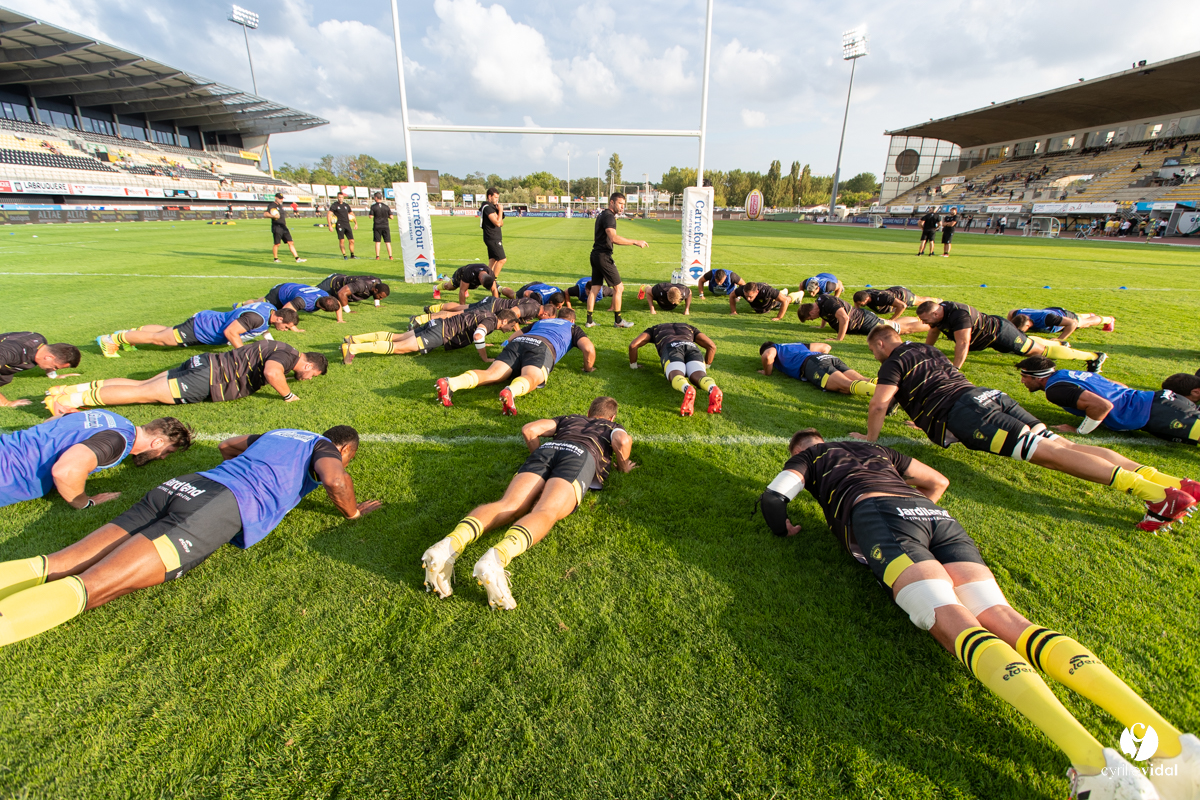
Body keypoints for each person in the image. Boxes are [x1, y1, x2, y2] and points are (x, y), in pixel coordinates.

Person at [757, 428, 1195, 800]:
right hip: (933, 515)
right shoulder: (877, 449)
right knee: (1005, 617)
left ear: (799, 450)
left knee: (950, 619)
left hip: (880, 517)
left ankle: (1095, 766)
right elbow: (937, 481)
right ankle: (1175, 750)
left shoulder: (810, 456)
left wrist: (786, 529)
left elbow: (775, 498)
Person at [0, 426, 380, 647]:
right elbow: (334, 478)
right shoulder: (324, 447)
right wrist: (352, 511)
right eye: (349, 458)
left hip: (183, 485)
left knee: (57, 562)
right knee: (92, 586)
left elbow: (226, 445)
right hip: (216, 507)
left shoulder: (280, 432)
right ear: (344, 448)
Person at [853, 325, 1196, 532]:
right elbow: (931, 385)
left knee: (1051, 455)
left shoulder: (894, 361)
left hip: (971, 413)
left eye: (872, 351)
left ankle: (1156, 496)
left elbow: (880, 403)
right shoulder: (927, 348)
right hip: (987, 396)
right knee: (1063, 445)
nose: (874, 356)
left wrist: (870, 440)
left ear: (881, 344)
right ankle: (1174, 483)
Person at [420, 397, 634, 610]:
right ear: (612, 416)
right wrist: (623, 467)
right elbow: (623, 442)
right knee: (546, 510)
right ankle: (497, 558)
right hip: (580, 455)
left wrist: (542, 461)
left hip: (548, 449)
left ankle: (447, 546)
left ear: (588, 411)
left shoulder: (570, 419)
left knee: (508, 503)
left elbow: (530, 430)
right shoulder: (611, 426)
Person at [44, 341, 328, 413]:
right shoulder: (289, 355)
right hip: (209, 377)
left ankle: (68, 388)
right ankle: (71, 399)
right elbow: (271, 371)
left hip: (205, 362)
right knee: (144, 394)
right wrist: (288, 395)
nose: (308, 379)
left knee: (144, 384)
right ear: (309, 365)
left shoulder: (277, 345)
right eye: (312, 375)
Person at [0, 411, 192, 509]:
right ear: (157, 442)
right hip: (9, 476)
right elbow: (65, 471)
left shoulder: (110, 417)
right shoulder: (119, 442)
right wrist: (85, 502)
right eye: (167, 451)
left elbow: (55, 419)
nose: (162, 457)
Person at [435, 308, 596, 415]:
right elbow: (588, 349)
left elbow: (512, 336)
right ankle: (511, 391)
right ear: (572, 320)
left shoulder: (540, 322)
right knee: (532, 378)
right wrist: (588, 368)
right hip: (542, 346)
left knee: (492, 374)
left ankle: (451, 383)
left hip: (519, 342)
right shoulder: (572, 328)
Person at [1018, 357, 1200, 445]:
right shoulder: (1065, 374)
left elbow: (1102, 406)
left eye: (1025, 376)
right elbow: (1118, 385)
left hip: (1159, 412)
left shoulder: (1054, 390)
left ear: (1038, 377)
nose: (1022, 381)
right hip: (1158, 402)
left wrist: (1079, 431)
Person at [917, 300, 1106, 372]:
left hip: (1001, 333)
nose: (924, 324)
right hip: (991, 337)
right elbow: (934, 330)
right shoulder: (939, 314)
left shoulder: (959, 316)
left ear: (935, 313)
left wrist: (956, 368)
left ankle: (1094, 357)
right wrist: (929, 350)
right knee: (1033, 345)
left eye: (925, 320)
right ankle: (1059, 344)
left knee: (1036, 351)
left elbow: (963, 342)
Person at [96, 303, 299, 357]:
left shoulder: (268, 310)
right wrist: (242, 354)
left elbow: (261, 330)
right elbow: (231, 333)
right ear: (279, 318)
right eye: (287, 326)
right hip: (202, 328)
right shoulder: (256, 318)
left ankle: (132, 335)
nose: (287, 330)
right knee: (160, 339)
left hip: (205, 320)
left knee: (166, 331)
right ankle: (113, 339)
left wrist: (270, 343)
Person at [341, 309, 520, 365]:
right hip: (439, 333)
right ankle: (353, 349)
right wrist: (485, 357)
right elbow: (478, 334)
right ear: (503, 320)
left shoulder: (486, 312)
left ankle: (354, 339)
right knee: (399, 348)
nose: (511, 329)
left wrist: (482, 343)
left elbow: (468, 323)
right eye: (511, 325)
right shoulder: (490, 321)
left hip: (437, 325)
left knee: (397, 337)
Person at [627, 322, 722, 415]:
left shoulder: (654, 329)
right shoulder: (689, 327)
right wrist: (706, 366)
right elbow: (711, 346)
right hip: (691, 347)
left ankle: (687, 388)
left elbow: (633, 345)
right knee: (699, 375)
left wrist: (633, 366)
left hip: (671, 347)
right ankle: (712, 387)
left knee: (676, 374)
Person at [587, 192, 647, 328]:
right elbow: (614, 238)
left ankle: (589, 321)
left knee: (595, 288)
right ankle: (618, 321)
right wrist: (635, 241)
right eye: (620, 204)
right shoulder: (609, 216)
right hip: (603, 256)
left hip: (595, 254)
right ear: (612, 202)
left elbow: (597, 238)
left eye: (623, 205)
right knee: (619, 288)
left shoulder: (602, 214)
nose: (622, 207)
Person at [757, 341, 874, 397]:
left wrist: (767, 372)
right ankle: (887, 388)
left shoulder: (774, 348)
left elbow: (767, 356)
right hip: (829, 358)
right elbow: (826, 347)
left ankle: (882, 394)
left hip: (813, 363)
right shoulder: (797, 345)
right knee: (864, 380)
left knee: (846, 386)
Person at [797, 293, 928, 340]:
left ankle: (930, 324)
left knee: (901, 330)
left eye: (810, 318)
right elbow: (825, 316)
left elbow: (844, 318)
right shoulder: (819, 303)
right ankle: (917, 319)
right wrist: (821, 327)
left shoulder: (828, 304)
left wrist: (839, 339)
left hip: (865, 322)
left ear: (811, 312)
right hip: (864, 318)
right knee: (892, 324)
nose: (813, 319)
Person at [0, 333, 80, 408]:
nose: (53, 369)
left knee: (6, 378)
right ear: (49, 357)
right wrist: (6, 403)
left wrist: (53, 375)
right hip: (6, 352)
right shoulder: (10, 352)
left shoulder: (41, 342)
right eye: (55, 366)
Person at [243, 283, 344, 322]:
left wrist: (340, 319)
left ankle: (250, 303)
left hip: (293, 289)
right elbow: (286, 311)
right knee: (264, 307)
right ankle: (242, 306)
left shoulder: (325, 296)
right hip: (280, 292)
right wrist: (293, 327)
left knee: (262, 300)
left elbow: (337, 304)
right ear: (323, 308)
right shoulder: (303, 301)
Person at [1007, 307, 1116, 340]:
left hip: (1064, 316)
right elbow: (1011, 312)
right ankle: (1088, 313)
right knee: (1078, 317)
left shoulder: (1047, 319)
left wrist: (1060, 340)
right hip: (1052, 313)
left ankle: (1109, 319)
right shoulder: (1017, 314)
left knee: (1084, 323)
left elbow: (1072, 323)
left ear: (1027, 325)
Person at [435, 264, 508, 305]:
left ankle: (466, 285)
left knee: (466, 286)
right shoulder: (469, 272)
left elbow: (494, 289)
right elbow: (462, 291)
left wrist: (497, 305)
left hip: (471, 281)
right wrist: (462, 308)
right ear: (481, 280)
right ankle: (436, 288)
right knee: (450, 287)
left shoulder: (490, 273)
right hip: (461, 275)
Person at [264, 193, 306, 263]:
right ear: (275, 198)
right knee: (277, 244)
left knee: (291, 242)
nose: (281, 199)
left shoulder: (280, 206)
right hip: (277, 227)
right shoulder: (272, 205)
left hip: (284, 227)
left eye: (282, 198)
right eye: (280, 198)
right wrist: (273, 216)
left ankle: (297, 258)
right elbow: (265, 214)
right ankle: (276, 259)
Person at [852, 286, 939, 320]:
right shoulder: (862, 294)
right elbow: (856, 301)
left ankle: (937, 301)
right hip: (893, 292)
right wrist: (857, 310)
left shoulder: (882, 298)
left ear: (867, 299)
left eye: (862, 303)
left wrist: (892, 320)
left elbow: (902, 306)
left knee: (920, 300)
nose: (860, 305)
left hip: (903, 296)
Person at [317, 274, 390, 312]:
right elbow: (341, 293)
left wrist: (377, 304)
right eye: (380, 297)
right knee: (314, 295)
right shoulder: (361, 285)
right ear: (376, 290)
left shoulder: (377, 282)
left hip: (341, 282)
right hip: (332, 284)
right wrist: (348, 310)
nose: (381, 299)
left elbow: (376, 293)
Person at [480, 187, 506, 275]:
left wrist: (499, 213)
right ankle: (492, 282)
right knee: (502, 259)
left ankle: (485, 279)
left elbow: (501, 222)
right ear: (489, 196)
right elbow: (498, 223)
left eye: (498, 198)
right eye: (495, 198)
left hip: (493, 237)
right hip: (492, 237)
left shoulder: (492, 207)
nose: (497, 200)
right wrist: (501, 210)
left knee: (493, 260)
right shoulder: (487, 208)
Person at [327, 192, 357, 259]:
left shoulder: (346, 205)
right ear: (337, 197)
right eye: (339, 197)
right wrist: (330, 225)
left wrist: (356, 223)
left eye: (341, 197)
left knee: (352, 240)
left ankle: (352, 255)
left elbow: (351, 214)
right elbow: (329, 214)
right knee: (342, 241)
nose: (340, 198)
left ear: (343, 198)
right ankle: (344, 255)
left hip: (347, 224)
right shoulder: (334, 205)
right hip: (339, 225)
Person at [368, 192, 393, 260]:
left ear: (376, 198)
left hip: (377, 226)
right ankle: (390, 256)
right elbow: (391, 217)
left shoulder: (373, 206)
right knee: (387, 242)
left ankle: (377, 256)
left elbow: (370, 216)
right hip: (385, 226)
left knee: (378, 242)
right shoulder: (386, 206)